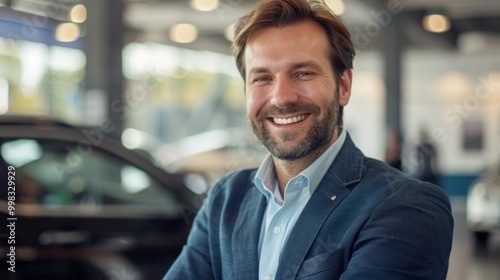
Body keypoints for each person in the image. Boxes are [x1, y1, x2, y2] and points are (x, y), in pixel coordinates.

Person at [164, 0, 454, 279]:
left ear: (343, 86)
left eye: (302, 73)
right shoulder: (226, 199)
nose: (282, 98)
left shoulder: (407, 205)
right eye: (262, 78)